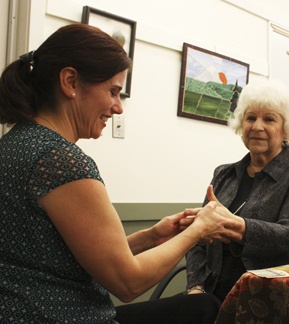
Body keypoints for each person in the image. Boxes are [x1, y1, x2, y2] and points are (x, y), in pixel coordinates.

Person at [0, 23, 242, 323]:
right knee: (205, 309)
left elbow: (77, 258)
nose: (118, 107)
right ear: (70, 81)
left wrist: (153, 236)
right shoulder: (59, 160)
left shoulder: (15, 143)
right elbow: (128, 282)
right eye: (113, 91)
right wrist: (198, 230)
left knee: (201, 306)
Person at [185, 79, 289, 302]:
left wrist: (236, 225)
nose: (257, 126)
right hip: (208, 296)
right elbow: (197, 239)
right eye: (251, 118)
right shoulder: (224, 174)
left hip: (267, 297)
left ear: (285, 129)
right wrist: (195, 288)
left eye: (269, 119)